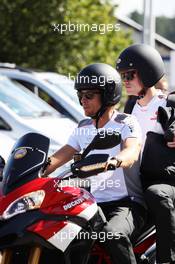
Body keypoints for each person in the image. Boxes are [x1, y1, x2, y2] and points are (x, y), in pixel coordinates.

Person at [43, 63, 146, 264]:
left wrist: (115, 161)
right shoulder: (83, 127)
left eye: (89, 95)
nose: (83, 100)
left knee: (113, 235)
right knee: (57, 233)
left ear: (108, 95)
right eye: (80, 95)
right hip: (91, 203)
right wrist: (36, 169)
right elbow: (61, 155)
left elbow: (132, 150)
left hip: (126, 203)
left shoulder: (126, 123)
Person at [116, 43, 175, 264]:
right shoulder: (130, 108)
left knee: (156, 195)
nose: (125, 81)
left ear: (148, 71)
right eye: (123, 76)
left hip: (165, 180)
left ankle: (166, 260)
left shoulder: (168, 102)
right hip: (135, 179)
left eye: (130, 75)